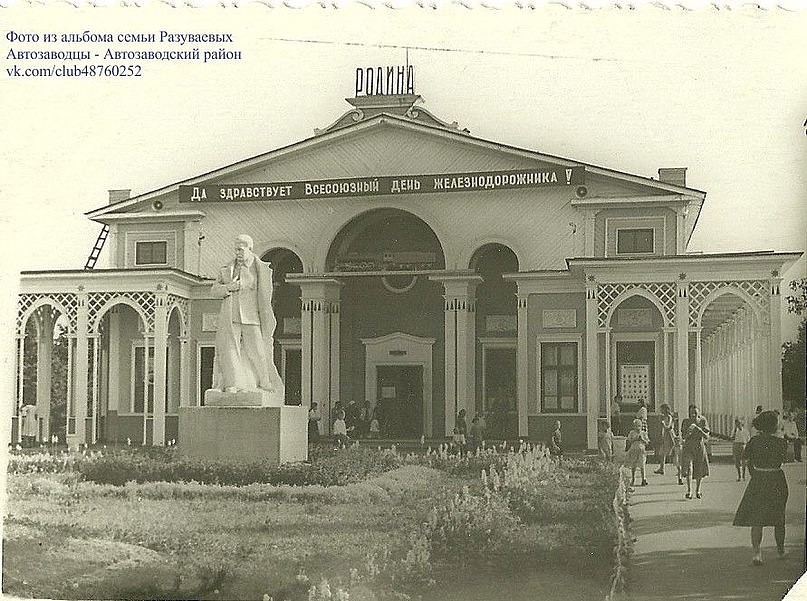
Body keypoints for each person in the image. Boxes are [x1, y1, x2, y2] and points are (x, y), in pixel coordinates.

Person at [210, 234, 284, 402]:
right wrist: (229, 287)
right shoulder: (226, 268)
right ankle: (232, 384)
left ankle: (264, 380)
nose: (237, 253)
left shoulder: (258, 268)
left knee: (258, 349)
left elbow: (264, 294)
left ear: (250, 249)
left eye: (241, 249)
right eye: (236, 249)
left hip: (251, 316)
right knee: (230, 350)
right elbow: (213, 290)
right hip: (231, 316)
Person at [733, 410, 789, 565]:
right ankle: (781, 550)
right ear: (773, 425)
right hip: (776, 479)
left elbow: (747, 461)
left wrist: (755, 474)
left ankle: (757, 553)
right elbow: (783, 460)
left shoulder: (754, 441)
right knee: (779, 517)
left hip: (758, 479)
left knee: (757, 518)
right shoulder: (781, 442)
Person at [681, 404, 710, 499]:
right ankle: (689, 491)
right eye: (691, 413)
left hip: (699, 446)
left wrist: (698, 429)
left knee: (699, 468)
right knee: (689, 467)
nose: (693, 415)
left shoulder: (703, 421)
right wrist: (688, 432)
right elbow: (683, 436)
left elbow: (706, 436)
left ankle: (698, 490)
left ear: (699, 413)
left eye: (695, 413)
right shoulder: (686, 421)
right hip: (688, 446)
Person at [626, 418, 649, 487]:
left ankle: (643, 479)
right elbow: (629, 440)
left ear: (641, 426)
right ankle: (633, 479)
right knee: (633, 465)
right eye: (636, 426)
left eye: (639, 426)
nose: (637, 427)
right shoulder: (632, 433)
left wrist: (642, 439)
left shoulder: (643, 433)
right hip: (634, 450)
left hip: (641, 451)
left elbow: (647, 442)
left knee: (642, 465)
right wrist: (635, 439)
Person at [654, 404, 675, 475]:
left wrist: (662, 423)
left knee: (672, 452)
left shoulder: (669, 417)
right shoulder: (665, 417)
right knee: (662, 452)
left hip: (669, 436)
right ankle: (661, 468)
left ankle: (680, 469)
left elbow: (668, 426)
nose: (661, 411)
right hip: (665, 436)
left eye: (662, 409)